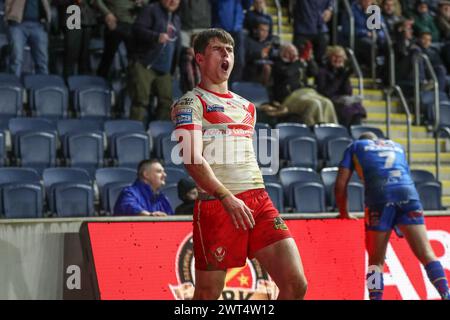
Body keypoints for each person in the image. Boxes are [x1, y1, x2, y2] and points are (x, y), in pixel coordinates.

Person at [171, 28, 307, 300]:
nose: (226, 55)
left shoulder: (248, 107)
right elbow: (191, 158)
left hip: (258, 199)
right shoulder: (190, 102)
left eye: (230, 50)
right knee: (208, 293)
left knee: (295, 284)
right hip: (217, 203)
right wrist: (226, 197)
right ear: (199, 58)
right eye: (218, 49)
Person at [335, 132, 450, 300]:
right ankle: (446, 294)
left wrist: (344, 213)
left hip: (380, 197)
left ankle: (375, 298)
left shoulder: (355, 147)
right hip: (409, 195)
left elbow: (340, 185)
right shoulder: (397, 146)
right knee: (427, 254)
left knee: (375, 262)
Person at [128, 0, 181, 122]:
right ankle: (135, 135)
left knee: (166, 103)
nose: (173, 1)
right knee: (140, 101)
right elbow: (137, 29)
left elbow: (175, 44)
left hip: (165, 68)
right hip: (145, 64)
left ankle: (157, 132)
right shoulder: (151, 10)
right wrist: (155, 37)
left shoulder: (176, 18)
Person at [260, 43, 338, 126]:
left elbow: (314, 72)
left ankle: (331, 128)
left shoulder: (299, 63)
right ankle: (311, 128)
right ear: (283, 53)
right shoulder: (278, 64)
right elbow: (287, 74)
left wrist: (309, 59)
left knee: (327, 102)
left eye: (294, 51)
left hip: (307, 92)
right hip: (290, 97)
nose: (294, 54)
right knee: (314, 104)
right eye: (290, 52)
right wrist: (298, 62)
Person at [94, 0, 149, 78]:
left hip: (134, 24)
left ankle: (133, 85)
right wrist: (107, 13)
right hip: (114, 23)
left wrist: (142, 1)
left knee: (135, 59)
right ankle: (99, 83)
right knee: (108, 57)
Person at [316, 46, 366, 127]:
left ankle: (354, 132)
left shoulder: (343, 72)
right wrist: (341, 77)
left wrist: (344, 77)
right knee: (347, 109)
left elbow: (348, 92)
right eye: (335, 56)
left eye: (341, 57)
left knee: (357, 107)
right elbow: (326, 92)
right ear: (329, 57)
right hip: (328, 101)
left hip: (342, 100)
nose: (338, 59)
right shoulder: (322, 71)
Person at [5, 0, 51, 77]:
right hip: (17, 24)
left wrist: (47, 19)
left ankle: (43, 86)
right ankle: (14, 86)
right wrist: (8, 17)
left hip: (39, 24)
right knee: (16, 60)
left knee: (42, 61)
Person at [54, 0, 97, 78]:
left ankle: (84, 86)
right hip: (72, 14)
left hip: (88, 17)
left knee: (85, 57)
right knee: (71, 55)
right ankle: (68, 83)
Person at [292, 0, 334, 66]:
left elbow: (331, 3)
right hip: (303, 29)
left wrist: (330, 9)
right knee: (298, 58)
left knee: (320, 60)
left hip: (321, 28)